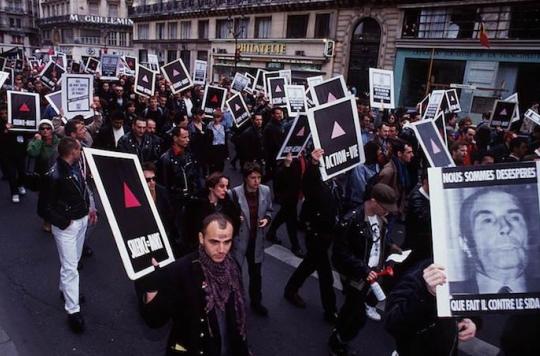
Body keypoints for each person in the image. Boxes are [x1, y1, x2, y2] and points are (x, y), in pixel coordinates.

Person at [137, 213, 250, 356]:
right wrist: (152, 284)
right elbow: (154, 320)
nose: (222, 250)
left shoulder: (233, 266)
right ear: (201, 238)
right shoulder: (182, 270)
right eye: (214, 242)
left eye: (227, 242)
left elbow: (237, 316)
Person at [328, 183, 400, 355]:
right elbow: (339, 253)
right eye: (385, 207)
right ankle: (337, 342)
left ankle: (338, 338)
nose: (388, 212)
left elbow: (377, 243)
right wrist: (363, 270)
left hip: (371, 275)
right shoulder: (351, 220)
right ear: (373, 201)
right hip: (356, 276)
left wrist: (390, 250)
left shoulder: (380, 219)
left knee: (351, 311)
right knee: (356, 315)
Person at [43, 137, 98, 333]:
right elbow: (43, 208)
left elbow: (84, 190)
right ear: (72, 151)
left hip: (81, 220)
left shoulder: (75, 167)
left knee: (72, 262)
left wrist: (89, 210)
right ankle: (73, 311)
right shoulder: (54, 175)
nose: (81, 150)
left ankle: (65, 291)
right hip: (68, 226)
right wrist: (64, 222)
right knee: (70, 268)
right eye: (79, 148)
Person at [284, 149, 338, 323]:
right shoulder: (315, 182)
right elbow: (308, 183)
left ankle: (290, 290)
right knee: (325, 275)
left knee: (309, 265)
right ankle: (331, 312)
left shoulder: (333, 183)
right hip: (316, 233)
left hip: (326, 232)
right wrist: (313, 163)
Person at [453, 188, 540, 294]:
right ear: (465, 244)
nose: (505, 227)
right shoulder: (448, 293)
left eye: (514, 217)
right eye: (488, 220)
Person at [385, 261, 477, 356]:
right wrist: (427, 294)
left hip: (448, 348)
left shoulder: (466, 268)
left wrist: (471, 321)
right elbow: (393, 322)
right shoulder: (418, 271)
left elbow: (471, 301)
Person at [229, 162, 273, 316]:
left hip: (256, 240)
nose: (257, 181)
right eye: (253, 178)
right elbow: (225, 217)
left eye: (259, 177)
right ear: (245, 178)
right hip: (240, 242)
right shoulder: (233, 194)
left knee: (256, 275)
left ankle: (256, 302)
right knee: (235, 275)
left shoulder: (265, 191)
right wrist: (235, 219)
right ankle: (235, 303)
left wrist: (267, 219)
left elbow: (269, 209)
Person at [184, 172, 241, 254]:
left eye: (227, 186)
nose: (225, 190)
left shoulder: (228, 205)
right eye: (221, 186)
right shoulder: (196, 205)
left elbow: (235, 224)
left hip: (222, 248)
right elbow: (189, 230)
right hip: (201, 249)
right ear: (211, 187)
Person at [266, 152, 304, 257]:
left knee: (283, 214)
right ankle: (295, 246)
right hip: (287, 194)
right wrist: (287, 166)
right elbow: (279, 177)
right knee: (291, 219)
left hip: (295, 193)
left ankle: (271, 232)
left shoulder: (301, 156)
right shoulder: (287, 158)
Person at [26, 119, 60, 232]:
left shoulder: (58, 141)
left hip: (58, 175)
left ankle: (56, 219)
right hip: (43, 176)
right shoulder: (35, 141)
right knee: (45, 200)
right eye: (42, 128)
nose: (45, 130)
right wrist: (39, 141)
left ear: (52, 130)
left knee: (58, 199)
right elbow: (32, 153)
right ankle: (47, 220)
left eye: (48, 128)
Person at [142, 162, 176, 254]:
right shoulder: (138, 194)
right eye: (148, 180)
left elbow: (169, 213)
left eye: (154, 178)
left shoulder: (162, 191)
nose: (152, 182)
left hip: (164, 232)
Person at [206, 109, 228, 174]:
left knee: (221, 166)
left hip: (221, 148)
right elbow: (207, 140)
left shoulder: (223, 127)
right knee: (213, 168)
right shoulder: (209, 127)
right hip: (213, 148)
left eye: (218, 117)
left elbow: (225, 139)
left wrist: (226, 152)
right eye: (215, 117)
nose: (216, 119)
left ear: (221, 118)